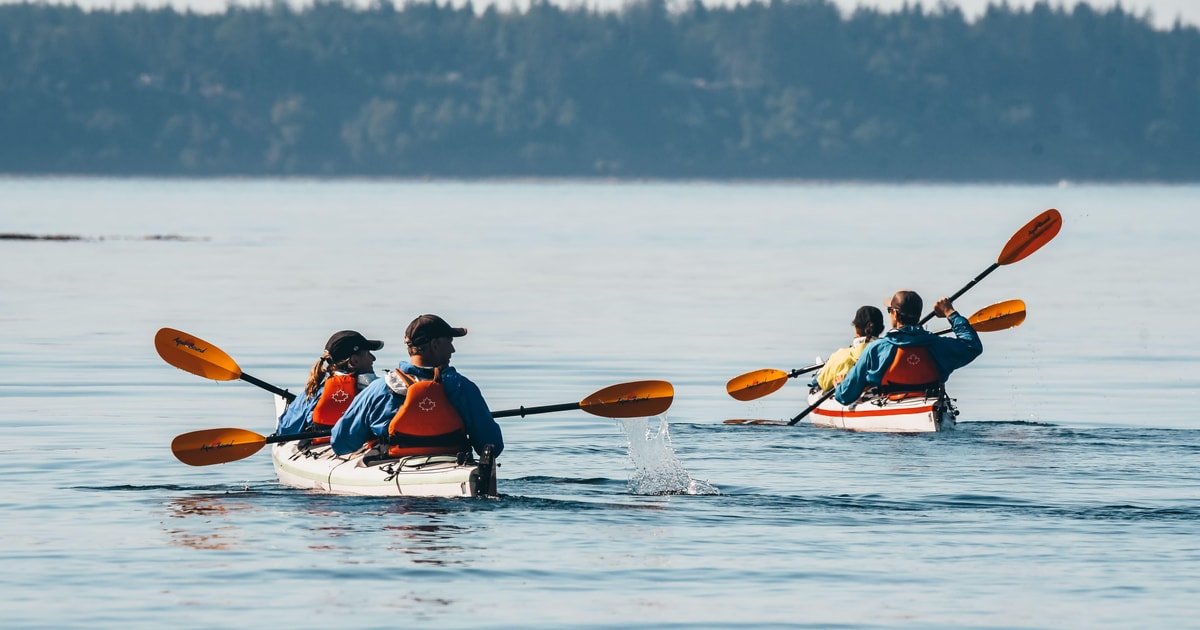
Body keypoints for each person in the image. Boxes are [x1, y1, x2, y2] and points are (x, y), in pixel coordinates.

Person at [330, 314, 504, 459]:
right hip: (452, 470)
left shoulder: (378, 389)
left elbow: (342, 444)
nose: (453, 350)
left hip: (392, 473)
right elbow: (492, 446)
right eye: (449, 342)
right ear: (435, 344)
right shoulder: (462, 387)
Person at [834, 290, 982, 405]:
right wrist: (950, 313)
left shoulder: (875, 349)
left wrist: (840, 386)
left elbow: (845, 397)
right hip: (930, 405)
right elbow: (972, 346)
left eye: (889, 310)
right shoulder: (938, 345)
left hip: (890, 406)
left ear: (895, 315)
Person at [276, 330, 384, 436]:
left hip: (320, 442)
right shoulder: (379, 389)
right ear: (354, 361)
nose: (373, 358)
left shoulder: (316, 393)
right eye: (368, 354)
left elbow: (286, 429)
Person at [815, 305, 884, 391]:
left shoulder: (842, 355)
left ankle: (820, 371)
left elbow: (823, 383)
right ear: (881, 329)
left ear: (856, 329)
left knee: (818, 379)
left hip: (830, 378)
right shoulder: (887, 351)